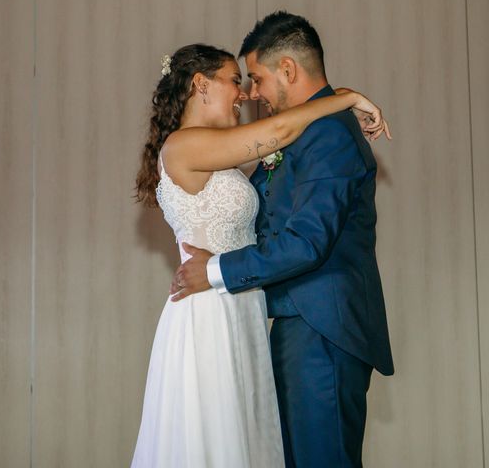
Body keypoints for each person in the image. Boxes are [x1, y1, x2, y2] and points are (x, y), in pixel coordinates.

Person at [132, 41, 389, 467]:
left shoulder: (223, 156)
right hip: (209, 313)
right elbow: (282, 132)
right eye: (236, 81)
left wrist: (331, 106)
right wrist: (345, 98)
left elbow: (282, 146)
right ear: (201, 85)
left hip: (241, 308)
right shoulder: (183, 145)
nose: (246, 93)